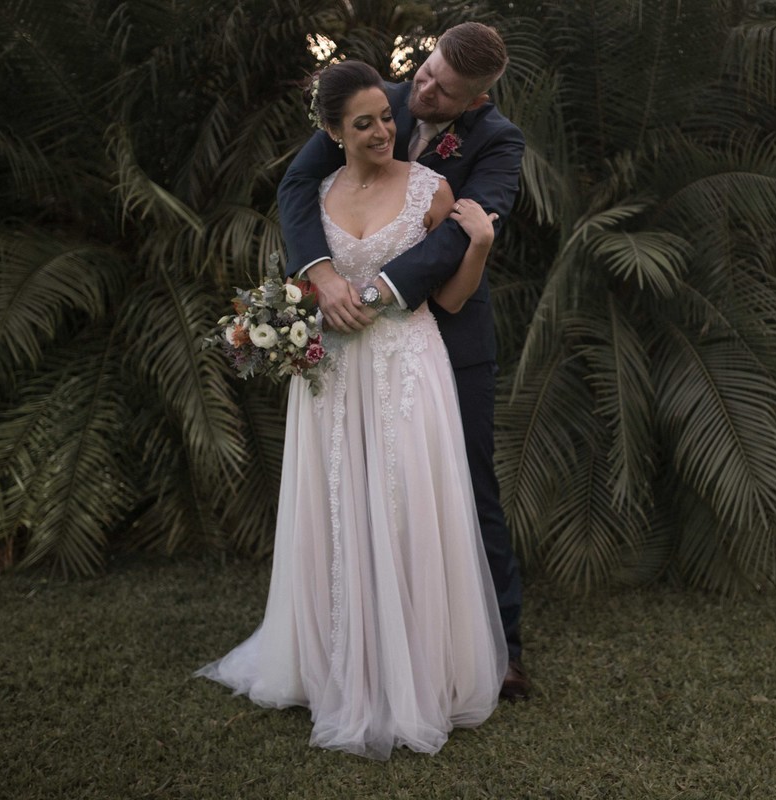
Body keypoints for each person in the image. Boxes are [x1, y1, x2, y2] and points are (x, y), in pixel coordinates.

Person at [197, 60, 507, 759]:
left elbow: (451, 299)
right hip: (334, 375)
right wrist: (294, 309)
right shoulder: (318, 192)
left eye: (385, 119)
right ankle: (335, 665)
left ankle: (416, 673)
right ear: (333, 132)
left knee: (402, 507)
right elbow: (306, 280)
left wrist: (480, 245)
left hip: (406, 367)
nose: (381, 130)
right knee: (337, 504)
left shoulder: (431, 187)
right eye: (363, 123)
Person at [277, 22, 529, 700]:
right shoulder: (370, 101)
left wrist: (377, 291)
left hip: (446, 327)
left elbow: (462, 231)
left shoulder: (499, 142)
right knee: (358, 482)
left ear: (475, 98)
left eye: (442, 90)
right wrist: (321, 274)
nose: (421, 90)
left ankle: (494, 647)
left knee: (468, 487)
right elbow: (297, 186)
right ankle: (368, 634)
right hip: (350, 336)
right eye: (424, 71)